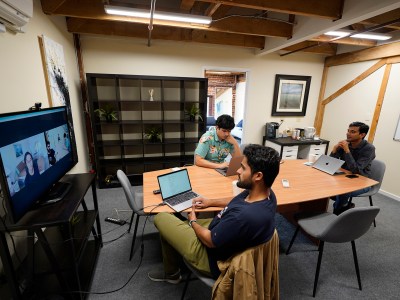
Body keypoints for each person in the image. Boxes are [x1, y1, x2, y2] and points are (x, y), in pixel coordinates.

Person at [148, 144, 280, 283]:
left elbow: (210, 241)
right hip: (221, 230)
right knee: (171, 227)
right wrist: (210, 202)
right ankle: (172, 270)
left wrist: (192, 221)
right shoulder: (267, 194)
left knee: (162, 216)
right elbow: (238, 199)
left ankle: (172, 274)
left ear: (258, 176)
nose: (238, 170)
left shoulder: (242, 217)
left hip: (211, 257)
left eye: (243, 167)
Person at [330, 121, 375, 214]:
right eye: (348, 131)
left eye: (353, 132)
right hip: (344, 177)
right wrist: (334, 151)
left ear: (362, 134)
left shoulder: (369, 148)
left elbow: (356, 170)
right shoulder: (346, 143)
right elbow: (331, 164)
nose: (348, 134)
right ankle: (345, 206)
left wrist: (347, 151)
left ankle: (337, 214)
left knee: (343, 192)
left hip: (362, 180)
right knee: (323, 185)